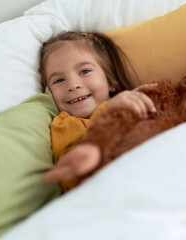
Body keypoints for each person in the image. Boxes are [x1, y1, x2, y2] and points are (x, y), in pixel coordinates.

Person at [39, 31, 156, 192]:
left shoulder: (136, 100)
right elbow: (70, 175)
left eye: (84, 71)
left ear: (110, 81)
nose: (73, 85)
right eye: (59, 80)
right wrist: (107, 111)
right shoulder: (65, 124)